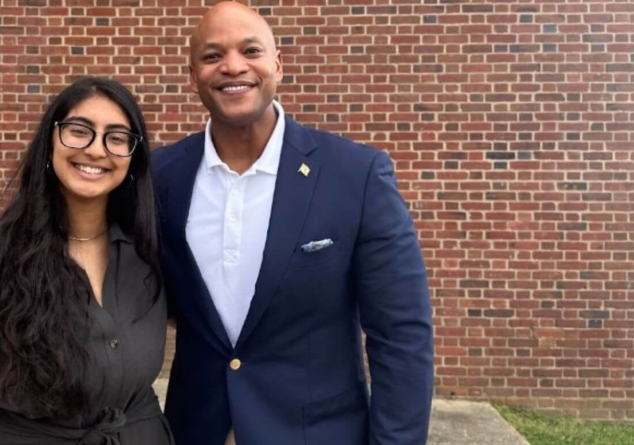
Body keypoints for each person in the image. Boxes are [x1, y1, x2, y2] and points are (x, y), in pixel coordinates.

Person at [152, 2, 434, 444]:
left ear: (277, 66)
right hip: (196, 430)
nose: (232, 66)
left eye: (251, 50)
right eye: (212, 56)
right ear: (193, 78)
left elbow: (400, 335)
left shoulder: (356, 175)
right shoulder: (160, 178)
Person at [0, 77, 173, 445]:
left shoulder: (147, 257)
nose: (96, 150)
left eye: (116, 137)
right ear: (49, 141)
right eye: (79, 130)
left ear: (134, 158)